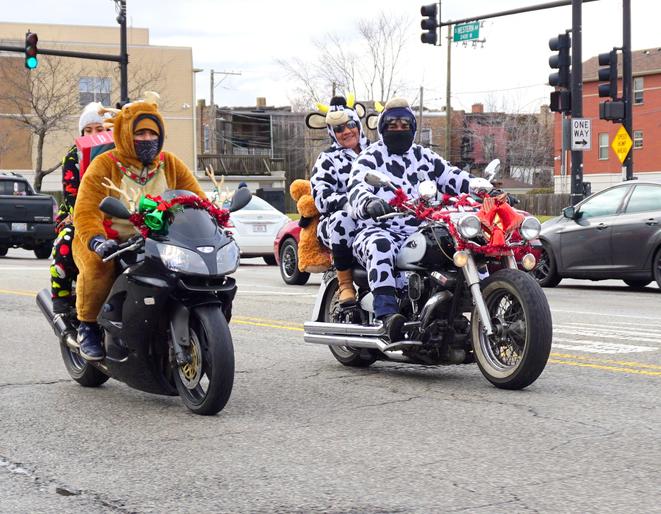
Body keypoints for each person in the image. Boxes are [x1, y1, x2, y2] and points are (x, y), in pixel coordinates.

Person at [72, 94, 207, 361]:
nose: (147, 139)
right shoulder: (105, 164)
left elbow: (196, 198)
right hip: (111, 239)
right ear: (125, 134)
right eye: (140, 133)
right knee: (99, 266)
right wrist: (96, 240)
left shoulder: (169, 163)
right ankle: (86, 326)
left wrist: (214, 221)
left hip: (160, 240)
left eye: (152, 133)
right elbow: (86, 210)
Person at [348, 97, 473, 340]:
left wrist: (487, 191)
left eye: (405, 125)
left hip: (420, 230)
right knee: (380, 246)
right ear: (382, 128)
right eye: (392, 125)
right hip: (380, 229)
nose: (398, 130)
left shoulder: (425, 157)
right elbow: (357, 185)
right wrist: (368, 202)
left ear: (413, 128)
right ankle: (387, 316)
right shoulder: (370, 157)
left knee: (456, 246)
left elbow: (455, 177)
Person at [310, 95, 370, 305]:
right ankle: (345, 285)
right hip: (339, 221)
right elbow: (321, 197)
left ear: (358, 125)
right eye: (339, 129)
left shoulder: (376, 153)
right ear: (332, 133)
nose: (346, 131)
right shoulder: (327, 159)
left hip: (377, 217)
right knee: (342, 219)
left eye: (350, 125)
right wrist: (351, 203)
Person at [49, 102, 108, 314]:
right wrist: (83, 215)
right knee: (66, 240)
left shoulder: (119, 153)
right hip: (78, 214)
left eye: (99, 129)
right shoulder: (73, 156)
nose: (93, 134)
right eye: (88, 130)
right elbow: (72, 195)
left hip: (117, 213)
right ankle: (61, 295)